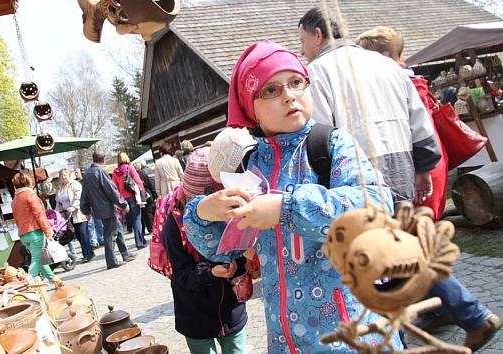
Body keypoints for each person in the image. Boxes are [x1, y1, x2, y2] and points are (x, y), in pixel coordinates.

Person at [183, 40, 402, 353]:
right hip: (287, 339)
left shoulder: (331, 145)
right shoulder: (250, 166)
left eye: (296, 82)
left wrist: (288, 208)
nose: (289, 95)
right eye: (270, 90)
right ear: (249, 106)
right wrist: (204, 213)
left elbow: (377, 208)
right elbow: (224, 251)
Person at [356, 26, 502, 351]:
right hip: (425, 168)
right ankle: (438, 311)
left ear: (379, 57)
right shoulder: (408, 80)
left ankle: (474, 315)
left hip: (417, 170)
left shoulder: (392, 82)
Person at [297, 7, 441, 208]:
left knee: (371, 239)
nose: (302, 50)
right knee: (404, 237)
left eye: (303, 41)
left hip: (356, 183)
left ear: (318, 35)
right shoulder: (388, 65)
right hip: (402, 172)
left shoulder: (317, 72)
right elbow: (418, 120)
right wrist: (424, 168)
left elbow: (320, 135)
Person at [162, 147, 247, 354]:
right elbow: (180, 275)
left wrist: (238, 266)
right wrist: (211, 273)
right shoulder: (174, 223)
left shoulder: (233, 212)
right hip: (194, 315)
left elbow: (246, 250)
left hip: (231, 310)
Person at [81, 152, 137, 269]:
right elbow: (111, 190)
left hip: (98, 210)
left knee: (118, 229)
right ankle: (111, 261)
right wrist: (123, 204)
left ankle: (125, 254)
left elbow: (84, 194)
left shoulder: (87, 174)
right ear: (103, 160)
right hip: (107, 208)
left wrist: (85, 210)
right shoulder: (100, 171)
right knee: (110, 234)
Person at [11, 172, 63, 286]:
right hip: (34, 232)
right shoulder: (30, 195)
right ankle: (28, 283)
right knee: (38, 260)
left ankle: (55, 281)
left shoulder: (15, 199)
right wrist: (48, 230)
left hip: (23, 234)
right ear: (28, 182)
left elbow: (16, 218)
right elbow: (39, 214)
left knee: (40, 258)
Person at [56, 168, 94, 263]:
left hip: (78, 213)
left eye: (65, 175)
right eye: (61, 176)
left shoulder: (75, 184)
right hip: (67, 215)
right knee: (77, 234)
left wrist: (73, 207)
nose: (63, 177)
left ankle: (87, 254)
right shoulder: (60, 188)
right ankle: (89, 252)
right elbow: (58, 202)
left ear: (69, 175)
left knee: (83, 233)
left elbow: (79, 198)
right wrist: (56, 212)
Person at [112, 152, 148, 249]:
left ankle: (142, 239)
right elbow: (138, 181)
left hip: (123, 199)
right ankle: (139, 243)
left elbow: (115, 187)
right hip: (133, 196)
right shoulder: (130, 168)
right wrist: (142, 192)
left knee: (132, 220)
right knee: (137, 220)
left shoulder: (115, 172)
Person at [135, 161, 157, 234]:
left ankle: (143, 230)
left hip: (138, 195)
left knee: (142, 213)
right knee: (148, 212)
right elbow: (150, 184)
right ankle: (151, 228)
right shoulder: (143, 174)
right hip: (146, 193)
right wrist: (154, 195)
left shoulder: (133, 176)